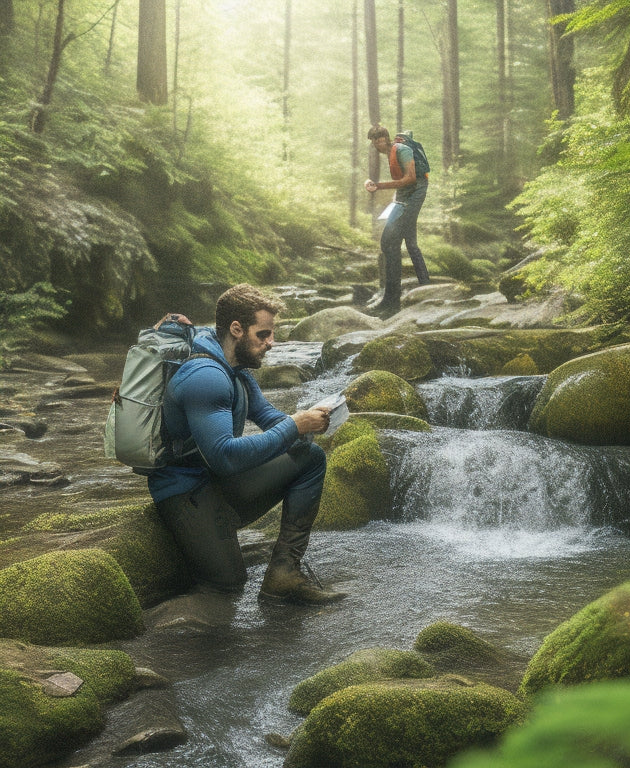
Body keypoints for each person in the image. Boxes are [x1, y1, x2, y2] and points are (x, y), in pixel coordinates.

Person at [147, 283, 345, 604]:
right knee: (228, 586)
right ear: (237, 329)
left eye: (271, 334)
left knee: (309, 457)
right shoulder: (205, 376)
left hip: (214, 480)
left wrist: (307, 424)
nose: (272, 343)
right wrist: (295, 425)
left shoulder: (236, 369)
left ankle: (284, 573)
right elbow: (225, 456)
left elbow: (267, 416)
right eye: (263, 335)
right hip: (184, 492)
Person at [365, 125, 430, 316]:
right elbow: (402, 182)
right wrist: (394, 198)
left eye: (378, 140)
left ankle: (391, 300)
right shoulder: (390, 152)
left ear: (385, 138)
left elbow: (410, 179)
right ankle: (424, 288)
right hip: (403, 197)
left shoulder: (402, 150)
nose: (376, 144)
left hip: (415, 194)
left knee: (389, 242)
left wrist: (379, 186)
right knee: (410, 243)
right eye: (373, 141)